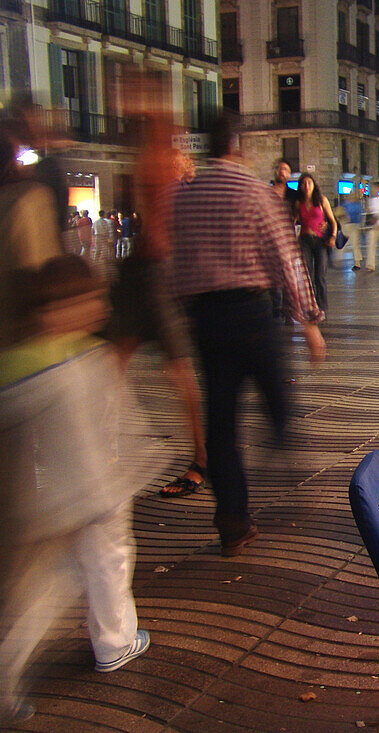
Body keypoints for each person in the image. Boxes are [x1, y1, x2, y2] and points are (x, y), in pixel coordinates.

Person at [1, 119, 149, 722]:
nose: (99, 308)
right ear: (63, 308)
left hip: (51, 500)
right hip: (96, 494)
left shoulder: (24, 363)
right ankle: (116, 641)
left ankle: (9, 668)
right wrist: (141, 463)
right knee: (111, 562)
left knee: (44, 587)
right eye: (90, 301)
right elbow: (122, 426)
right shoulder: (83, 362)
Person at [168, 114, 325, 557]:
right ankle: (281, 437)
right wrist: (309, 321)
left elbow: (175, 263)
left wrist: (186, 312)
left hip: (207, 319)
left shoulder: (186, 196)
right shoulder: (256, 193)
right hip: (252, 312)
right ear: (237, 147)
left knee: (221, 422)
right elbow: (287, 260)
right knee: (275, 387)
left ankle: (233, 521)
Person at [107, 105, 207, 500]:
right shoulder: (154, 160)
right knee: (112, 365)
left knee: (178, 371)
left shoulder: (165, 163)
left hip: (155, 274)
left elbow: (176, 229)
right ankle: (105, 457)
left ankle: (201, 458)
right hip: (141, 272)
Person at [295, 173, 337, 313]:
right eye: (304, 183)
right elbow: (293, 220)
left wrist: (333, 236)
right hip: (305, 241)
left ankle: (323, 307)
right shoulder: (298, 203)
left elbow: (332, 221)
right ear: (300, 186)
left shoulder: (321, 200)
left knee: (320, 276)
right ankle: (312, 306)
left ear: (314, 185)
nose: (306, 186)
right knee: (308, 276)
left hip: (320, 242)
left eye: (309, 183)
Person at [335, 193, 364, 271]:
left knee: (352, 244)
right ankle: (357, 262)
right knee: (354, 245)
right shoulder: (356, 205)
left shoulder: (345, 204)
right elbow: (360, 216)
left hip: (350, 226)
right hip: (349, 226)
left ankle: (357, 263)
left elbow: (338, 214)